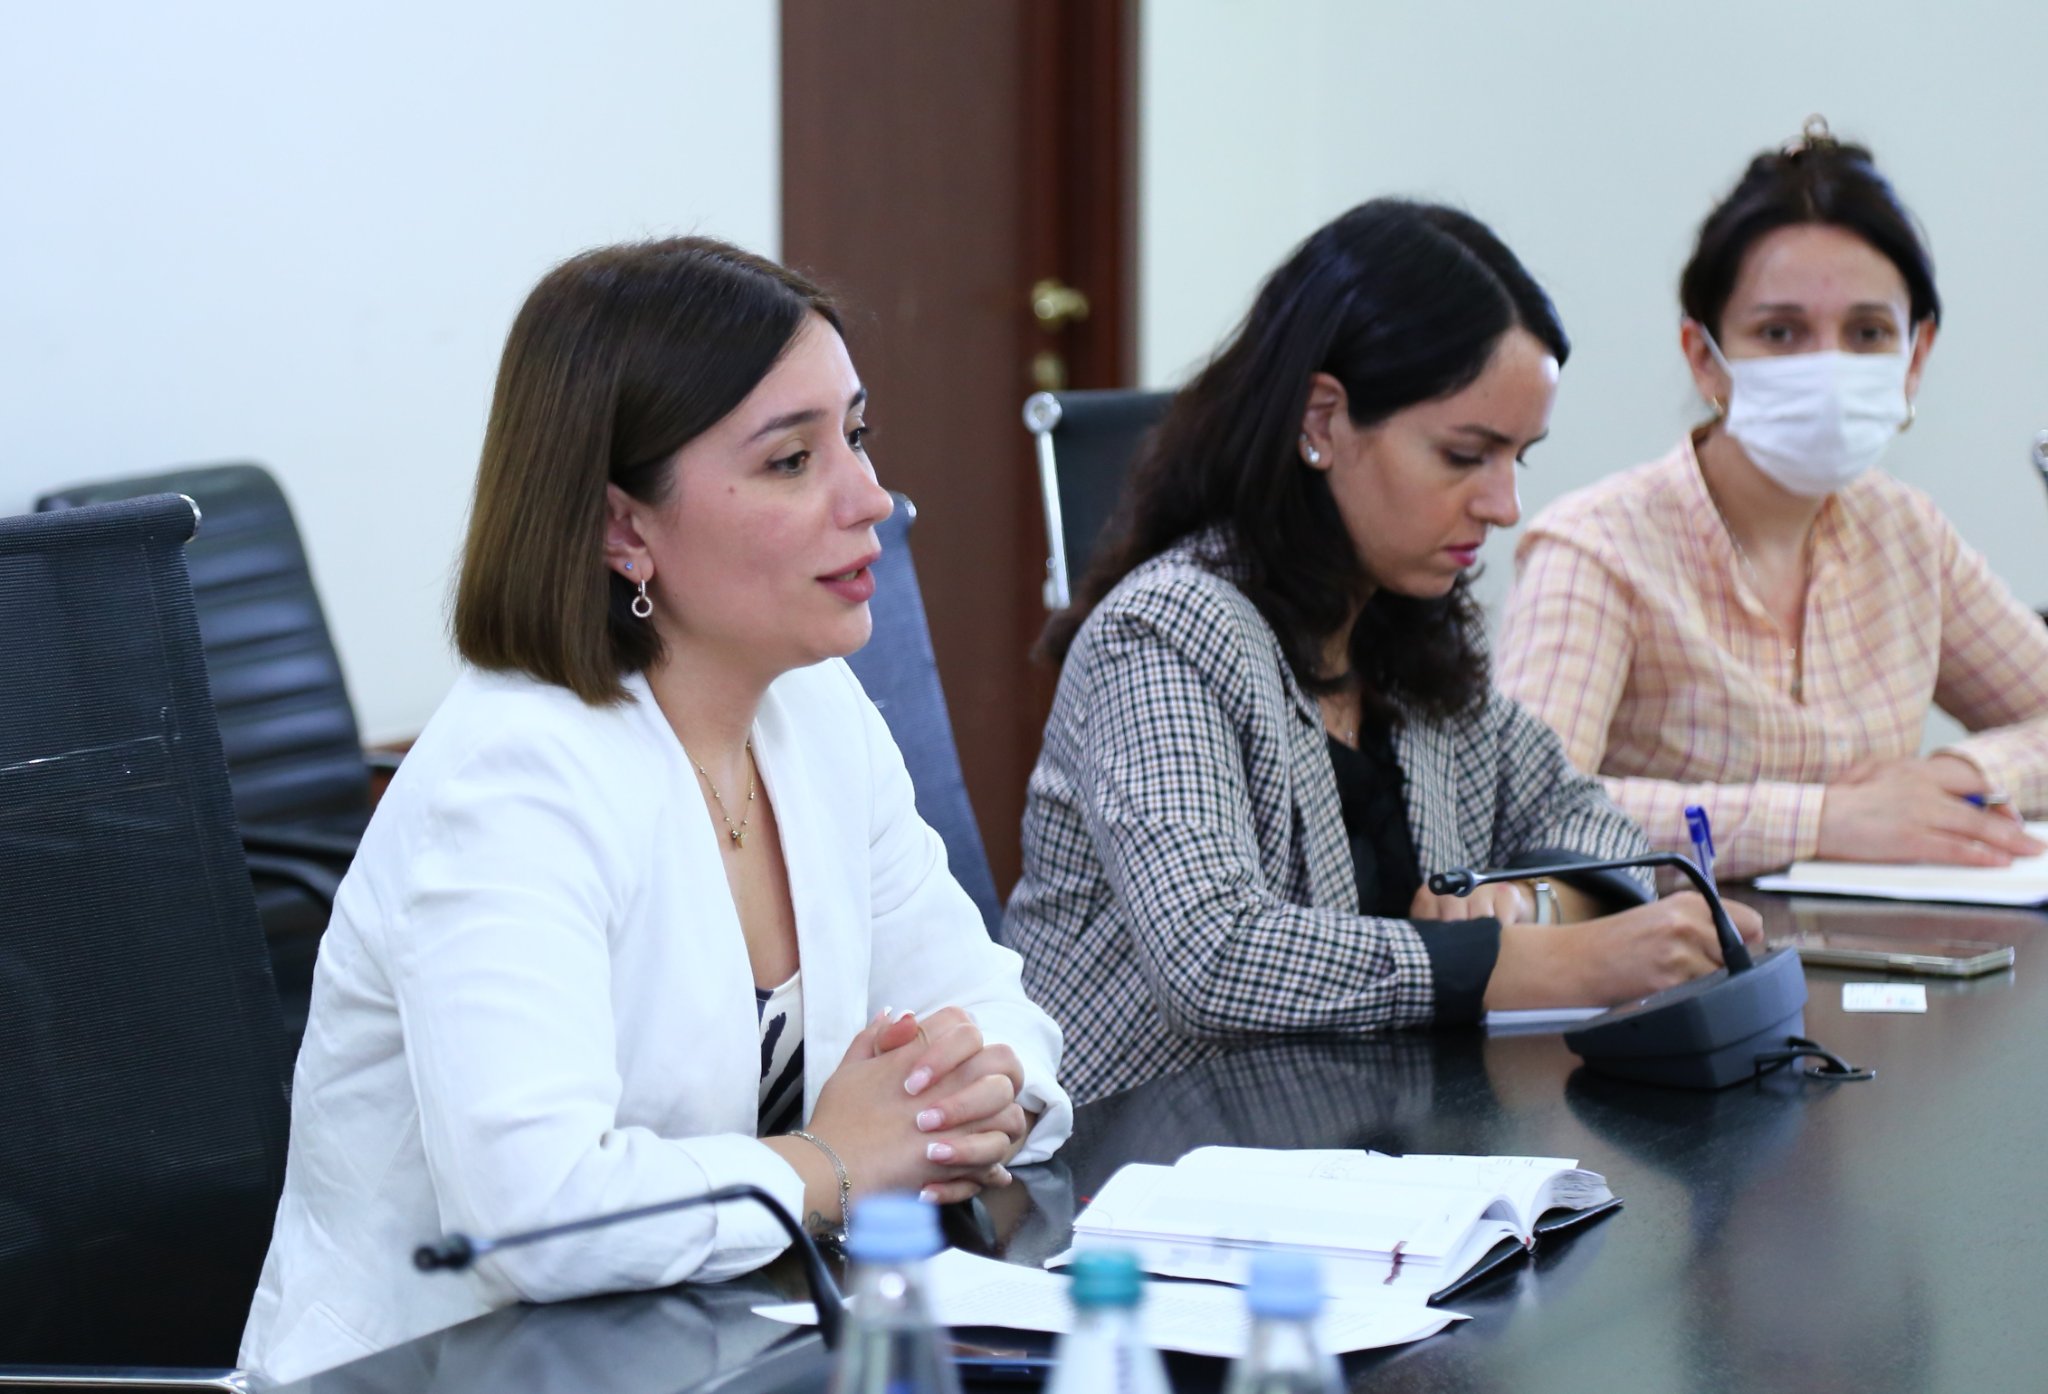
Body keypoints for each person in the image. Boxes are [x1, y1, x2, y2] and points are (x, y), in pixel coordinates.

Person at [239, 238, 1072, 1382]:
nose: (870, 498)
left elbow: (988, 1004)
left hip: (716, 1344)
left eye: (857, 434)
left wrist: (970, 1096)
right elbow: (539, 1213)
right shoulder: (513, 777)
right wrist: (832, 1161)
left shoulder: (814, 707)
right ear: (623, 528)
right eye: (792, 459)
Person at [1004, 199, 1761, 1105]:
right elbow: (1213, 955)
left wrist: (1531, 904)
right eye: (1466, 455)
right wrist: (1533, 963)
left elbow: (1593, 826)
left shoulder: (1403, 626)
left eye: (1518, 458)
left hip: (1363, 1149)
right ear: (1323, 420)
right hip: (1141, 1156)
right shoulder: (1165, 633)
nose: (1504, 505)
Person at [1497, 119, 2048, 879]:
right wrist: (1823, 820)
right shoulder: (1597, 547)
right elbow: (1527, 813)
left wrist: (1965, 774)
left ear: (1915, 356)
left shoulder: (1906, 532)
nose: (1828, 367)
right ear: (1704, 357)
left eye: (1867, 333)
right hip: (1684, 951)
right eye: (1781, 333)